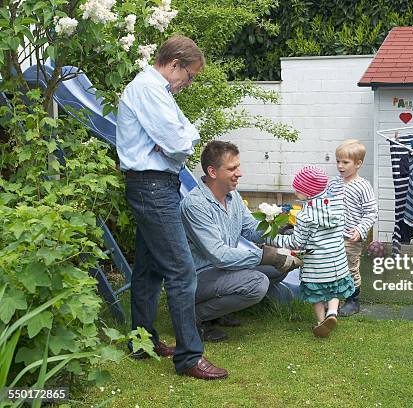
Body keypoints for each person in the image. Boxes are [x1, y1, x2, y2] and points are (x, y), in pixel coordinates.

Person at [116, 35, 227, 380]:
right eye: (189, 76)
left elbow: (187, 137)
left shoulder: (159, 91)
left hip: (156, 183)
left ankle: (142, 342)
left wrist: (174, 144)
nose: (188, 83)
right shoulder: (149, 90)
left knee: (149, 270)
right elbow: (181, 142)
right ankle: (190, 357)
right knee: (182, 271)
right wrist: (174, 144)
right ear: (175, 64)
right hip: (152, 185)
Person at [180, 141, 303, 342]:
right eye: (232, 168)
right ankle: (194, 317)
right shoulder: (195, 205)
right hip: (198, 277)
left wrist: (288, 240)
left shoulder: (232, 196)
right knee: (257, 283)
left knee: (280, 266)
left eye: (238, 167)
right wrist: (268, 255)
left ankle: (218, 312)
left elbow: (252, 230)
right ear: (212, 172)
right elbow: (219, 255)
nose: (239, 173)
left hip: (223, 271)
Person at [269, 166, 355, 338]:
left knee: (316, 295)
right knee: (335, 288)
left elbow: (296, 242)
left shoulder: (305, 215)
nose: (295, 191)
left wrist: (272, 238)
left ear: (307, 192)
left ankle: (320, 322)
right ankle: (332, 312)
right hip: (337, 261)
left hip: (316, 265)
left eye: (298, 189)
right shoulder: (337, 205)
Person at [326, 140, 378, 316]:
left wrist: (361, 229)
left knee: (350, 268)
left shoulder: (363, 186)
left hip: (351, 238)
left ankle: (352, 300)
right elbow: (326, 205)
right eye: (338, 161)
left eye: (345, 162)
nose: (340, 166)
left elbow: (371, 212)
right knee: (332, 267)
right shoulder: (333, 183)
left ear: (358, 164)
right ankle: (334, 299)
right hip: (332, 235)